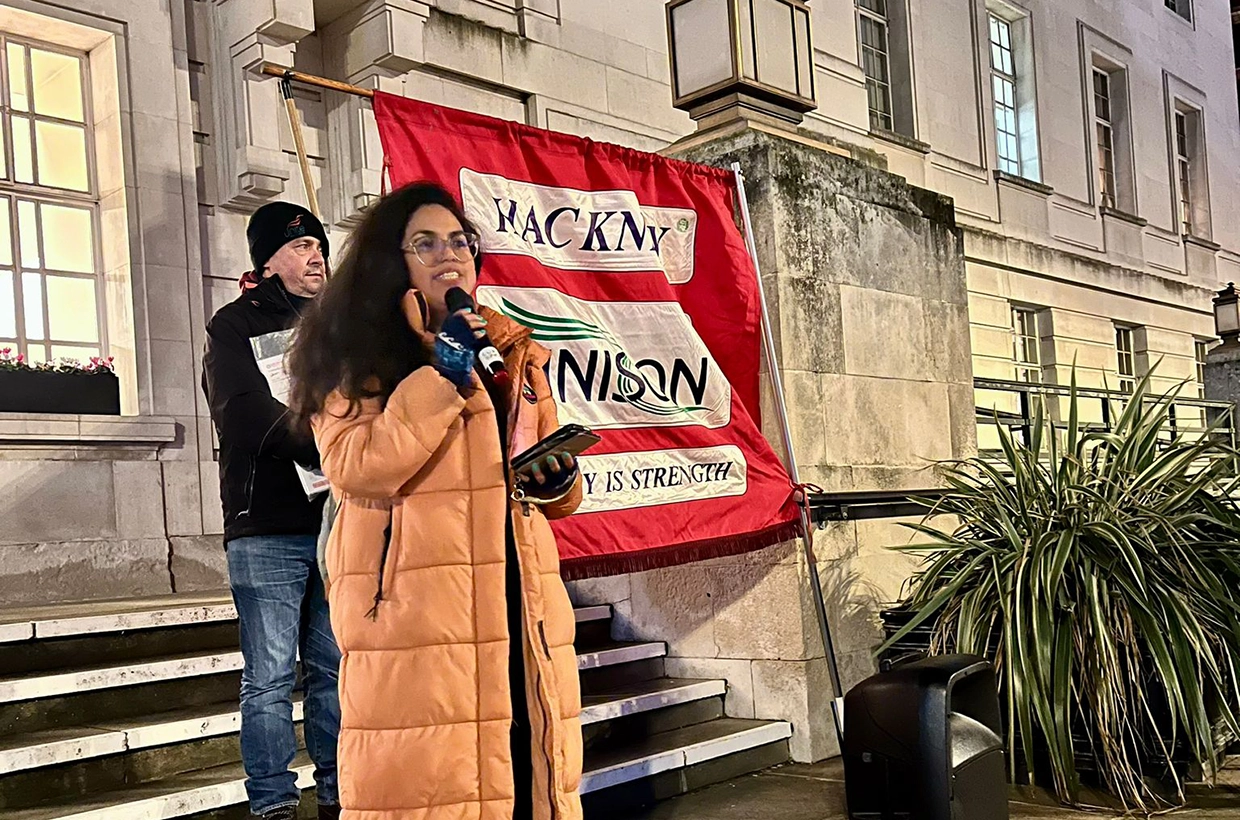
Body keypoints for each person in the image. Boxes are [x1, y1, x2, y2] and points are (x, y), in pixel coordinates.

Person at [286, 182, 584, 820]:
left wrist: (555, 480)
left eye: (459, 241)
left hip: (516, 605)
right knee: (430, 790)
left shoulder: (512, 352)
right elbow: (356, 468)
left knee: (527, 780)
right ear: (393, 262)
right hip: (418, 620)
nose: (448, 254)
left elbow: (543, 476)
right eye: (425, 243)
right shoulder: (352, 360)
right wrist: (439, 379)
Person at [202, 202, 341, 820]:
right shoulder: (233, 325)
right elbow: (242, 414)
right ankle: (273, 805)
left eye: (319, 244)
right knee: (268, 678)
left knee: (335, 671)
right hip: (267, 525)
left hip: (337, 518)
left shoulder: (341, 324)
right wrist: (333, 442)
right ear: (269, 259)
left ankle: (341, 794)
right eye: (301, 245)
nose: (316, 254)